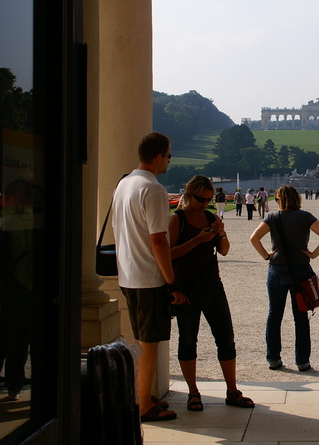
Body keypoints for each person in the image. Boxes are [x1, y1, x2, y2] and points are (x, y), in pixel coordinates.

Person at [112, 132, 189, 422]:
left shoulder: (124, 184)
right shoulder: (153, 189)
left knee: (143, 338)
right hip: (148, 276)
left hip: (128, 273)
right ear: (158, 157)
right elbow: (159, 240)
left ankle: (142, 394)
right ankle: (143, 404)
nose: (169, 160)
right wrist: (171, 281)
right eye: (168, 155)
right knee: (149, 343)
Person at [169, 176, 254, 410]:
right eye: (200, 199)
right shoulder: (178, 220)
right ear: (188, 195)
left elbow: (224, 251)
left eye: (208, 199)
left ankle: (232, 390)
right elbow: (168, 255)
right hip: (185, 288)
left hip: (211, 285)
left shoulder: (211, 217)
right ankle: (193, 392)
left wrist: (222, 233)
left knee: (226, 338)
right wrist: (197, 240)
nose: (204, 203)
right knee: (187, 340)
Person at [249, 185, 319, 371]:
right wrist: (313, 254)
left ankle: (273, 358)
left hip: (277, 269)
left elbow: (254, 238)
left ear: (280, 200)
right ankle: (302, 361)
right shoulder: (305, 217)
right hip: (301, 269)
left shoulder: (273, 217)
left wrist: (266, 255)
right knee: (300, 316)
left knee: (274, 315)